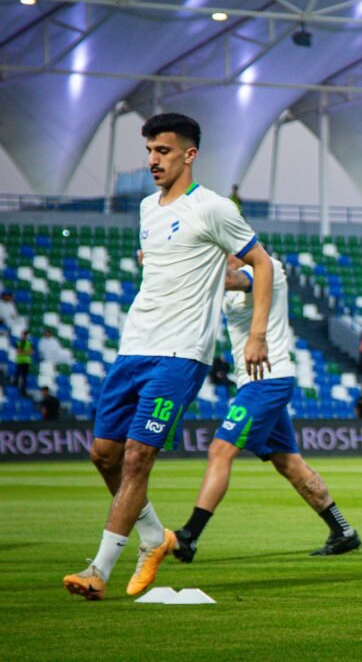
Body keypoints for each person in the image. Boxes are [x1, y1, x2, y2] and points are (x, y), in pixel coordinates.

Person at [63, 112, 273, 601]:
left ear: (189, 154)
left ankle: (99, 568)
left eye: (163, 151)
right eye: (150, 151)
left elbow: (261, 264)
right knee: (105, 455)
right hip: (133, 347)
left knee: (138, 458)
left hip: (180, 354)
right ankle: (155, 537)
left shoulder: (214, 208)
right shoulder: (146, 209)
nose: (153, 160)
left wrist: (255, 333)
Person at [173, 256, 360, 563]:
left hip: (267, 379)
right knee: (289, 464)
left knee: (221, 450)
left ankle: (190, 535)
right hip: (255, 381)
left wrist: (180, 262)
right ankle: (343, 531)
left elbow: (233, 280)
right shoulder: (234, 274)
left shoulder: (263, 267)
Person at [14, 328, 32, 395]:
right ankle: (15, 388)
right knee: (17, 375)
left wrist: (23, 352)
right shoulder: (19, 342)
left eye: (26, 335)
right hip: (19, 361)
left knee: (24, 377)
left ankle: (23, 389)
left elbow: (31, 351)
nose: (25, 336)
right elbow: (18, 352)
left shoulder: (29, 343)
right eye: (24, 335)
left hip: (26, 362)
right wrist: (26, 352)